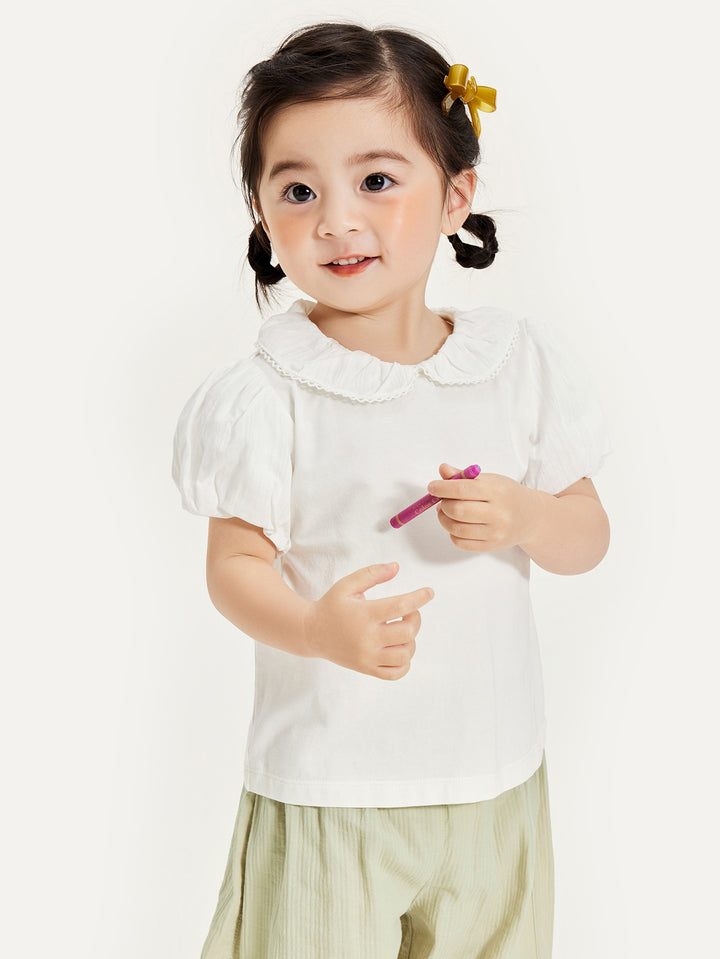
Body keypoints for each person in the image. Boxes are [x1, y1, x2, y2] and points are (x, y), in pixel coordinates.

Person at [171, 21, 612, 959]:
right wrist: (314, 629)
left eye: (376, 180)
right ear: (262, 214)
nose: (336, 219)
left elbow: (587, 535)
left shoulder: (513, 366)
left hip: (494, 781)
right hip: (333, 790)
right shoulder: (270, 395)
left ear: (456, 196)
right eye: (299, 191)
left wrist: (527, 514)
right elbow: (233, 566)